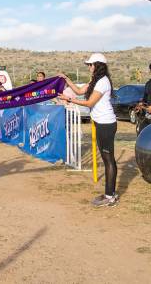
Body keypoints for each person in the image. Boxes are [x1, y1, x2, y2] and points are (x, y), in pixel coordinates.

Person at [58, 53, 119, 207]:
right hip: (100, 123)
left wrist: (69, 99)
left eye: (90, 65)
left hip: (106, 124)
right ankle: (110, 193)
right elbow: (79, 91)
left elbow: (90, 102)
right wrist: (66, 79)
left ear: (98, 65)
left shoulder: (103, 82)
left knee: (108, 159)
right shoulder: (95, 80)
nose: (89, 67)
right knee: (107, 158)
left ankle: (110, 196)